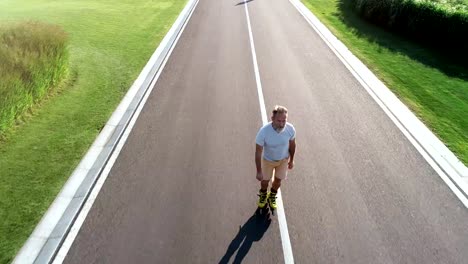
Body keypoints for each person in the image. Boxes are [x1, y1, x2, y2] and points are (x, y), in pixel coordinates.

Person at [255, 105, 296, 210]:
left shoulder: (290, 129)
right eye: (279, 121)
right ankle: (263, 194)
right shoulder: (263, 132)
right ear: (272, 119)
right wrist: (259, 171)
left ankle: (272, 195)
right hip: (268, 161)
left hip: (283, 160)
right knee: (264, 182)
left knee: (278, 181)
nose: (282, 124)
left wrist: (292, 160)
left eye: (284, 121)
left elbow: (292, 145)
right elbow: (258, 152)